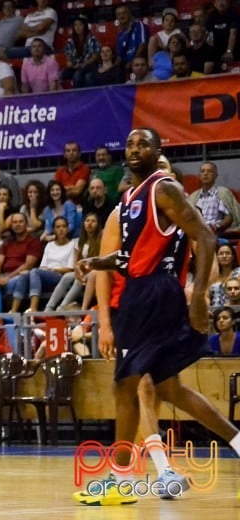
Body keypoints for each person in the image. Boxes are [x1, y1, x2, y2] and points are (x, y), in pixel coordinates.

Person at [73, 127, 240, 505]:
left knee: (127, 388)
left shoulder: (163, 189)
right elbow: (130, 259)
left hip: (154, 294)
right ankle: (235, 440)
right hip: (142, 291)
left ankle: (122, 480)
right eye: (129, 143)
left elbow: (208, 239)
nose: (134, 149)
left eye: (143, 144)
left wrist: (199, 298)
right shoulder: (130, 199)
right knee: (166, 389)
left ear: (160, 153)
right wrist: (97, 261)